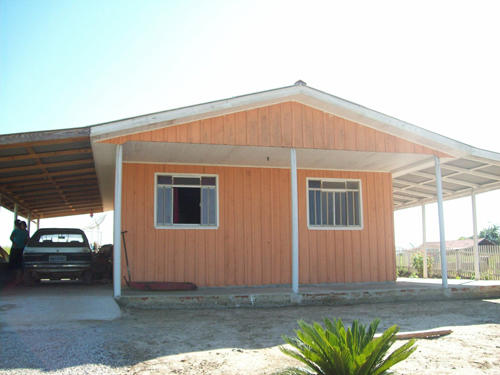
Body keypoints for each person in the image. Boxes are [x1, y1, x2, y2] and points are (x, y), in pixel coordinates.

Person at [9, 220, 29, 284]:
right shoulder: (16, 230)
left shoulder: (26, 232)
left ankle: (20, 278)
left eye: (23, 225)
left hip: (22, 249)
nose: (22, 226)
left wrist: (26, 243)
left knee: (20, 263)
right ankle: (15, 278)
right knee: (14, 262)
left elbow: (27, 239)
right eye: (21, 225)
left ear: (25, 226)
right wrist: (14, 243)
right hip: (15, 248)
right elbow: (11, 237)